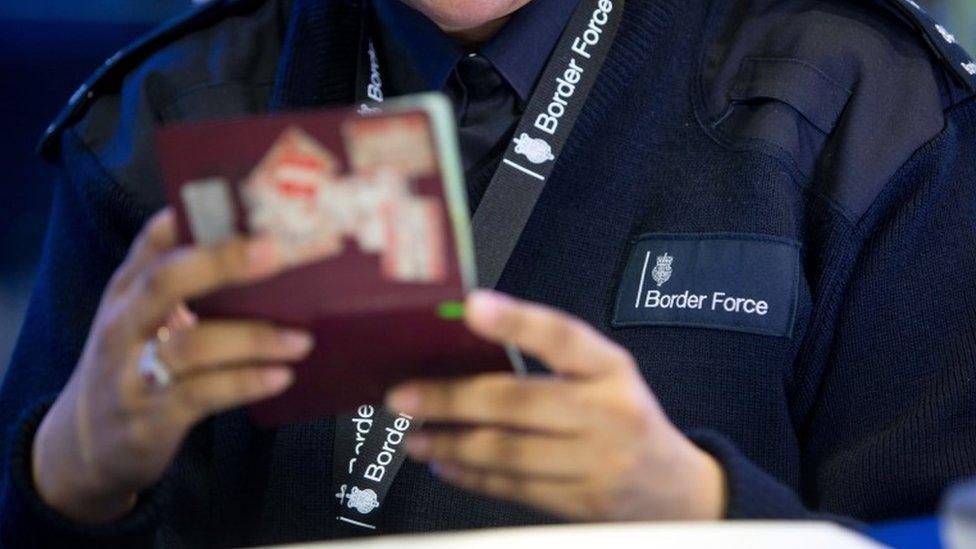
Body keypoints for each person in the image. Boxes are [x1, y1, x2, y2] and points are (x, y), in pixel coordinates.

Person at [1, 0, 975, 546]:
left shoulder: (863, 104)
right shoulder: (158, 120)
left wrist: (705, 515)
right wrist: (68, 480)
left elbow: (938, 528)